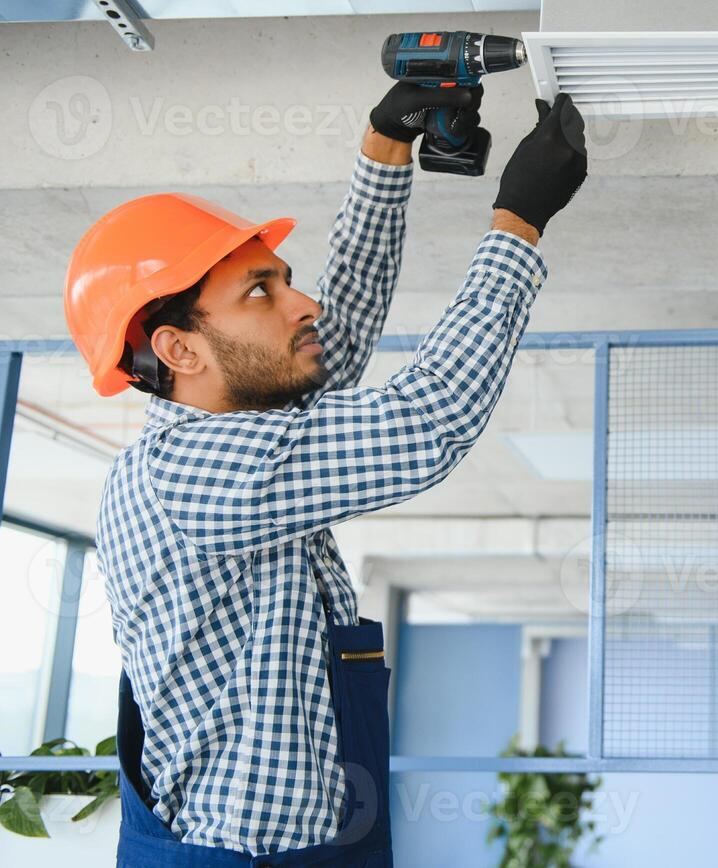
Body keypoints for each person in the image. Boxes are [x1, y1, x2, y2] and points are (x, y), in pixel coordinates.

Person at [62, 79, 587, 866]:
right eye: (260, 291)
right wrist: (516, 227)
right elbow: (426, 418)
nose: (300, 300)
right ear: (178, 349)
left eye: (284, 277)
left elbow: (328, 335)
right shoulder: (198, 474)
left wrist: (387, 142)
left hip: (300, 840)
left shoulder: (238, 422)